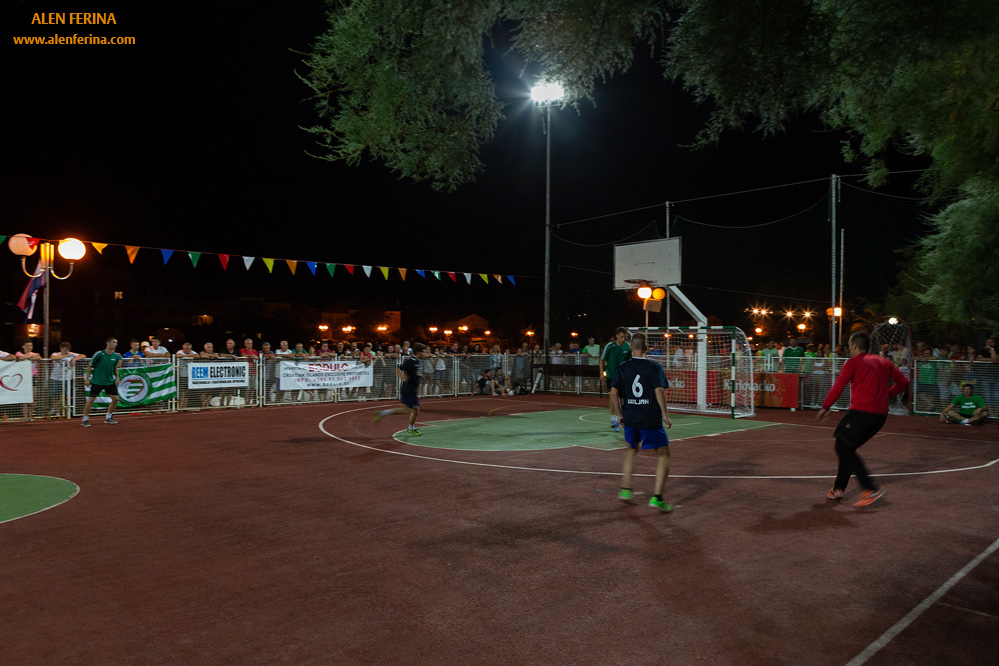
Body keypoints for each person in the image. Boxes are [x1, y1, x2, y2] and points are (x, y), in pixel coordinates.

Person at [816, 331, 909, 507]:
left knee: (842, 446)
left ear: (854, 346)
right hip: (880, 416)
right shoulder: (884, 362)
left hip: (861, 412)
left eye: (850, 347)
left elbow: (838, 386)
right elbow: (904, 383)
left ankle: (869, 489)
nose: (849, 350)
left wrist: (825, 406)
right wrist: (886, 395)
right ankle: (838, 489)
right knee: (847, 448)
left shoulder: (853, 363)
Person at [609, 332, 673, 512]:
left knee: (631, 450)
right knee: (664, 455)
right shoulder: (654, 366)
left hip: (630, 416)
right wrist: (665, 414)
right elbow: (659, 391)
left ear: (630, 348)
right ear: (646, 348)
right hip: (649, 418)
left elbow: (614, 393)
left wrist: (620, 414)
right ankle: (657, 498)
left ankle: (626, 490)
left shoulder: (623, 367)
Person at [373, 342, 430, 436]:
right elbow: (398, 368)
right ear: (418, 352)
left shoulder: (417, 361)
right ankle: (410, 428)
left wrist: (421, 376)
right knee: (414, 411)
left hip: (411, 389)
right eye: (424, 352)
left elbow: (415, 372)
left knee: (406, 410)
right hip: (409, 389)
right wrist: (402, 376)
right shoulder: (411, 360)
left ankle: (382, 413)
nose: (425, 354)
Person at [82, 337, 123, 427]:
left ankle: (108, 417)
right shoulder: (99, 354)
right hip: (97, 381)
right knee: (91, 400)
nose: (115, 344)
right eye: (114, 342)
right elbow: (90, 366)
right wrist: (87, 379)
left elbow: (115, 368)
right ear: (108, 343)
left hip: (109, 382)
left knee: (116, 399)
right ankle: (85, 419)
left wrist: (117, 378)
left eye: (116, 342)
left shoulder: (115, 356)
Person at [599, 327, 632, 431]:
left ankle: (619, 418)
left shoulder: (627, 347)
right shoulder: (610, 346)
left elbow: (630, 361)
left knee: (621, 399)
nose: (623, 339)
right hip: (611, 376)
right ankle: (613, 418)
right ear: (617, 335)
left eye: (625, 337)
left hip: (623, 376)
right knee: (612, 396)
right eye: (621, 337)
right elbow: (601, 359)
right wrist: (601, 373)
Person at [48, 342, 85, 416]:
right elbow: (52, 357)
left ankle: (55, 409)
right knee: (54, 396)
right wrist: (63, 356)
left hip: (66, 378)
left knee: (64, 396)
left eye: (67, 349)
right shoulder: (56, 354)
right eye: (64, 349)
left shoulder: (71, 354)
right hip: (55, 377)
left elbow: (83, 355)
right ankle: (57, 412)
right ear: (61, 349)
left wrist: (75, 359)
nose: (66, 351)